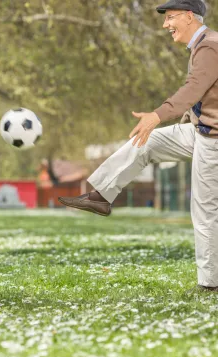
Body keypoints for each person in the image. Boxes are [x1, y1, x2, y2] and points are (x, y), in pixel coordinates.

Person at [58, 0, 218, 292]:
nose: (165, 25)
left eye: (170, 18)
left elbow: (193, 88)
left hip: (214, 140)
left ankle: (210, 285)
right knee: (145, 142)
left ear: (189, 17)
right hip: (200, 131)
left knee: (205, 212)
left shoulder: (210, 46)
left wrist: (157, 115)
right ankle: (101, 196)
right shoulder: (203, 45)